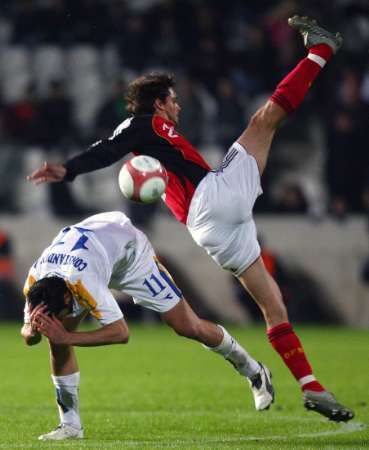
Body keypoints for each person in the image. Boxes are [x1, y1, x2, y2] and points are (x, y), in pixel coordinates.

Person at [27, 16, 354, 422]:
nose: (178, 106)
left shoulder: (155, 137)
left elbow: (115, 151)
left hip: (212, 232)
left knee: (274, 307)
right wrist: (69, 169)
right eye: (174, 100)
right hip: (211, 200)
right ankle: (321, 49)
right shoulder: (142, 123)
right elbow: (107, 149)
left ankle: (311, 386)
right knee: (264, 118)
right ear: (160, 101)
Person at [21, 211, 274, 441]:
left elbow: (121, 332)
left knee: (187, 326)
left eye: (63, 311)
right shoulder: (36, 282)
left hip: (131, 253)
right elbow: (28, 337)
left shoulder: (83, 281)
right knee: (57, 338)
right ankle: (70, 426)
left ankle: (254, 370)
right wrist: (32, 330)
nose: (59, 318)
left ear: (68, 298)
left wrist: (66, 336)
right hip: (97, 245)